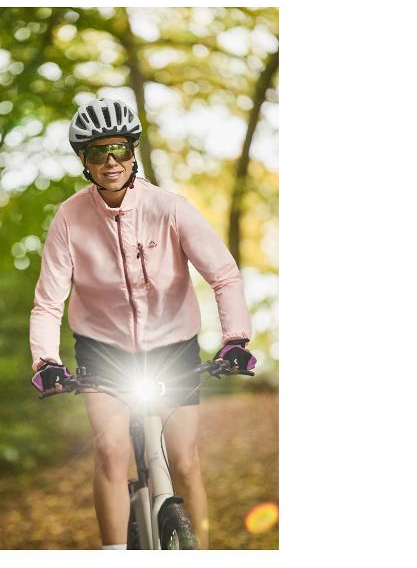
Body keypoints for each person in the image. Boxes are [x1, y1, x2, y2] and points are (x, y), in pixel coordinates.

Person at [29, 97, 255, 550]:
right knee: (112, 453)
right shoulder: (69, 218)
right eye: (97, 152)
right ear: (83, 161)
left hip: (173, 344)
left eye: (119, 150)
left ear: (133, 153)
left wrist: (235, 339)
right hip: (102, 348)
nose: (110, 161)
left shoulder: (170, 208)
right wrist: (46, 361)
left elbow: (224, 275)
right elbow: (48, 304)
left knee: (186, 459)